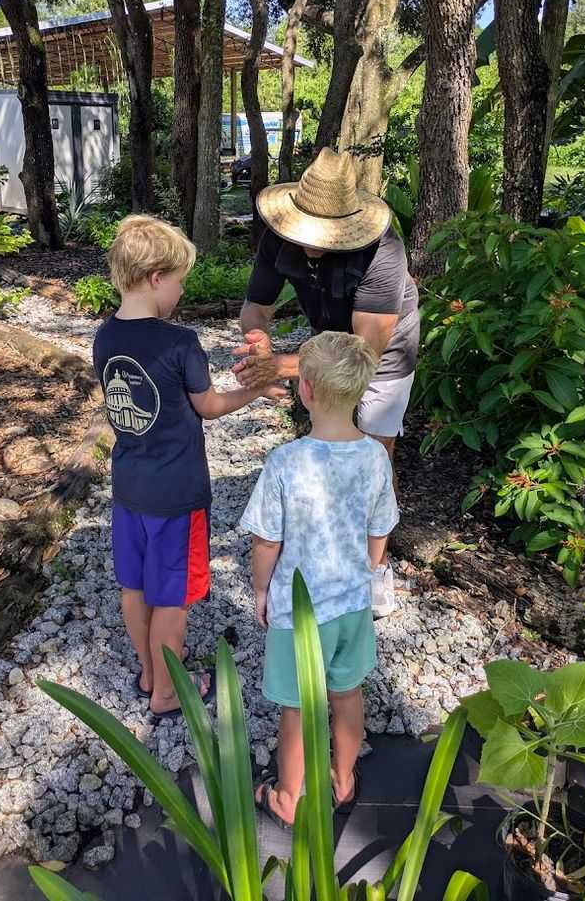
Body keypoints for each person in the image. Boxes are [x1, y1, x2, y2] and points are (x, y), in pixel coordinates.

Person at [92, 215, 281, 719]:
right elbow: (210, 406)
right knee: (172, 596)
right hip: (176, 495)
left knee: (135, 588)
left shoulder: (104, 337)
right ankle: (169, 692)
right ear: (156, 277)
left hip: (129, 487)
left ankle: (150, 672)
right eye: (179, 281)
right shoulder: (179, 343)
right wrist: (257, 389)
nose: (179, 292)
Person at [234, 147, 418, 617]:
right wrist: (259, 349)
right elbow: (256, 310)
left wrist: (281, 366)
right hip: (326, 339)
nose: (312, 244)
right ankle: (319, 542)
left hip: (385, 349)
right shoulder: (277, 240)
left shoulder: (384, 250)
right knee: (324, 439)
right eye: (305, 232)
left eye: (324, 236)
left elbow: (365, 350)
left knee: (375, 448)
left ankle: (375, 566)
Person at [241, 331, 399, 827]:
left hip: (299, 612)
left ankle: (289, 796)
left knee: (296, 708)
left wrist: (262, 590)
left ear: (305, 390)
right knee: (347, 695)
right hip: (352, 606)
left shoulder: (286, 461)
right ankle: (344, 780)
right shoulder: (375, 456)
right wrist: (368, 572)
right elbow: (380, 532)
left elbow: (266, 541)